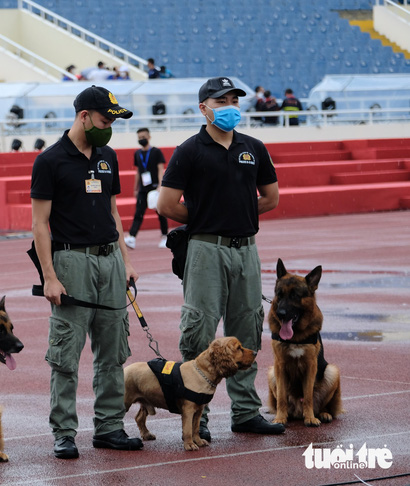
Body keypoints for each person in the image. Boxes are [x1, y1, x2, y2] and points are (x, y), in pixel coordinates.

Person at [156, 76, 283, 443]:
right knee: (199, 327)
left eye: (233, 100)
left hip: (246, 249)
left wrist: (238, 215)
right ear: (204, 108)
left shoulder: (254, 147)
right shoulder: (190, 150)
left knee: (246, 329)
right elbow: (166, 205)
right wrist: (207, 220)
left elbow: (271, 198)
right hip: (205, 250)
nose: (229, 106)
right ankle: (199, 410)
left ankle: (245, 412)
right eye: (221, 100)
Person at [30, 85, 143, 460]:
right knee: (65, 352)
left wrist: (125, 260)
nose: (109, 125)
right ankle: (64, 431)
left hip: (110, 260)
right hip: (71, 262)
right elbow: (39, 224)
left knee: (113, 351)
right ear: (83, 116)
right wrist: (49, 275)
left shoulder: (108, 156)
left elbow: (114, 212)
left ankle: (110, 427)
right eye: (105, 118)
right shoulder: (50, 161)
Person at [124, 128, 169, 249]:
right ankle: (132, 237)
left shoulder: (156, 152)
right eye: (139, 138)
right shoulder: (137, 153)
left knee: (160, 213)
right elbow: (138, 171)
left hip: (155, 188)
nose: (141, 139)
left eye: (143, 137)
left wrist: (160, 185)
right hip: (143, 189)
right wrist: (135, 188)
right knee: (138, 213)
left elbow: (160, 169)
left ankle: (165, 236)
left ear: (149, 137)